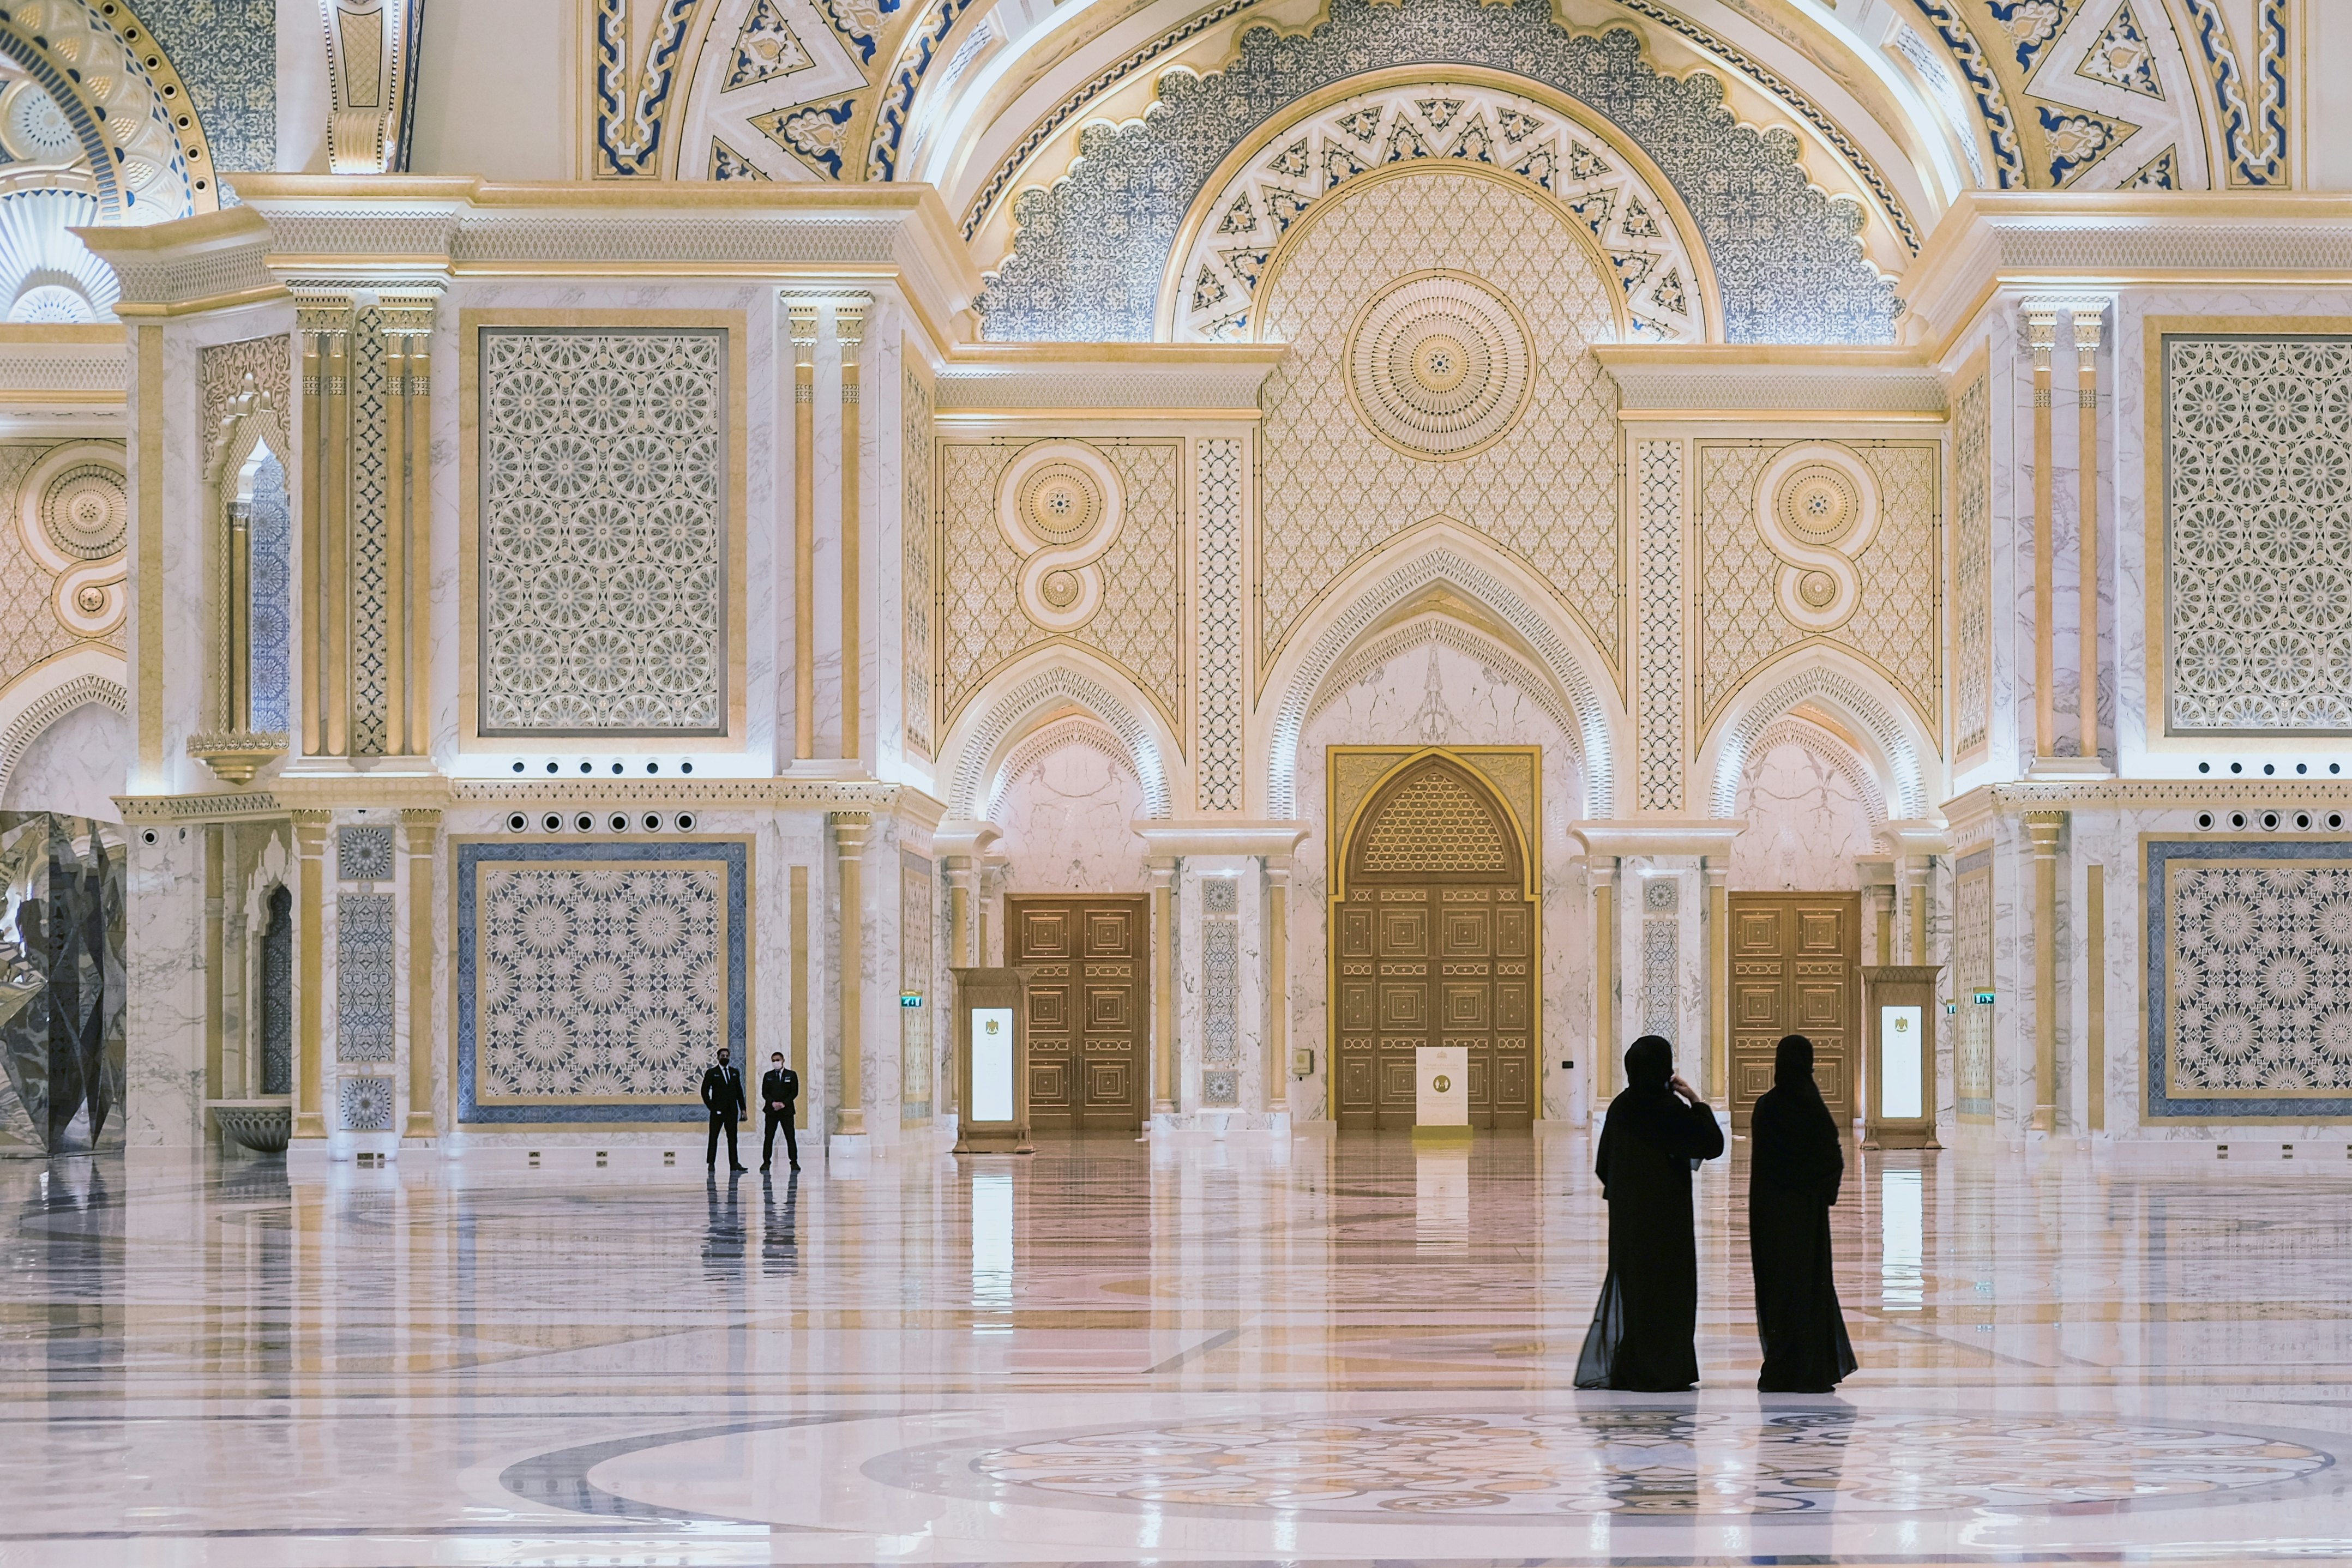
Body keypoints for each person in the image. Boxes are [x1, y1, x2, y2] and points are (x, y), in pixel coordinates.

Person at [1574, 1035, 1727, 1391]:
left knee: (1637, 1291)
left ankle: (1634, 1367)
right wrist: (1695, 1101)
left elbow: (1602, 1166)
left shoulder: (1620, 1109)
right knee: (1669, 1293)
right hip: (1669, 1224)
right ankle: (1667, 1368)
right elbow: (1712, 1145)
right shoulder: (1671, 1109)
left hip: (1628, 1224)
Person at [1749, 1033, 1859, 1393]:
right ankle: (1810, 1366)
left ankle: (1781, 1365)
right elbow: (1832, 1159)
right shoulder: (1812, 1108)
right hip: (1805, 1220)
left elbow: (1761, 1167)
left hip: (1770, 1218)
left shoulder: (1765, 1107)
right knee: (1807, 1287)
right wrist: (1818, 1196)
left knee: (1777, 1289)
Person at [700, 1046, 749, 1172]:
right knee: (714, 1137)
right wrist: (712, 1108)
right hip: (717, 1112)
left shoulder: (734, 1072)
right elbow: (704, 1092)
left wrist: (743, 1109)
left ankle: (734, 1163)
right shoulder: (712, 1073)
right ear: (718, 1058)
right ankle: (711, 1163)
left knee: (733, 1139)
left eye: (727, 1056)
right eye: (723, 1056)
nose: (725, 1058)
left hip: (732, 1111)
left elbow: (739, 1091)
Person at [760, 1050, 799, 1172]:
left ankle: (794, 1162)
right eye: (773, 1060)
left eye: (778, 1060)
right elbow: (765, 1092)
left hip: (786, 1111)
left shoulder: (791, 1075)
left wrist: (784, 1104)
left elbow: (794, 1092)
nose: (776, 1062)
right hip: (772, 1111)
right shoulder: (768, 1076)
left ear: (783, 1061)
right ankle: (766, 1162)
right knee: (769, 1137)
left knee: (790, 1137)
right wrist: (773, 1103)